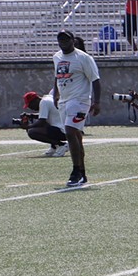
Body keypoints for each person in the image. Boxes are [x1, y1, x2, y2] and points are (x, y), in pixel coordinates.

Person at [51, 29, 101, 188]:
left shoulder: (83, 58)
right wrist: (55, 94)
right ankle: (83, 172)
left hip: (80, 100)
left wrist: (97, 101)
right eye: (60, 40)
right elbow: (57, 76)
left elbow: (95, 80)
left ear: (73, 40)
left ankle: (76, 171)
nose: (63, 43)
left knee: (70, 131)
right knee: (75, 135)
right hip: (64, 100)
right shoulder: (57, 56)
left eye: (66, 40)